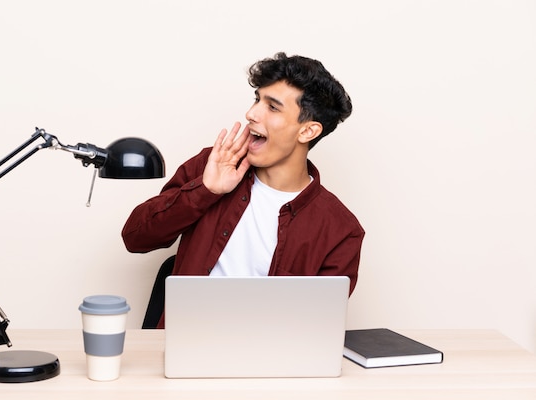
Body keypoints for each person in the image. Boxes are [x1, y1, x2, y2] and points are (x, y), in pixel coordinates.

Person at [122, 52, 364, 327]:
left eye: (272, 107)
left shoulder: (341, 230)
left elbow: (317, 328)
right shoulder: (212, 165)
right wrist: (206, 191)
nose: (251, 114)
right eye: (256, 100)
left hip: (271, 362)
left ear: (307, 132)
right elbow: (135, 238)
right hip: (184, 344)